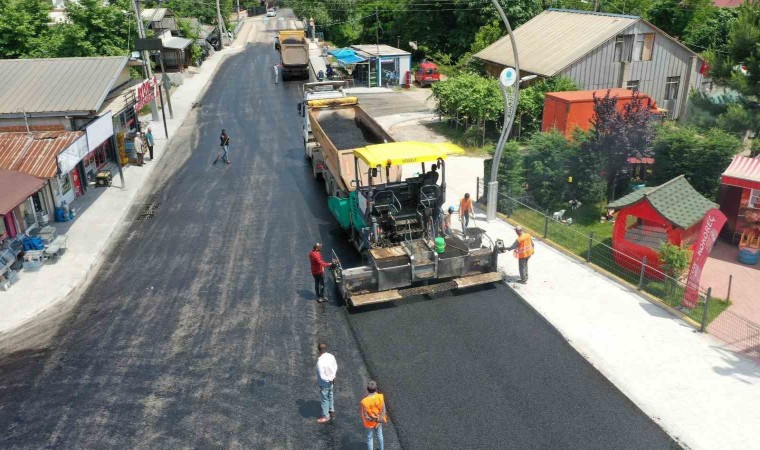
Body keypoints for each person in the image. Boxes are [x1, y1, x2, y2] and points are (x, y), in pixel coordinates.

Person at [361, 380, 387, 450]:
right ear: (376, 389)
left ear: (367, 389)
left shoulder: (365, 401)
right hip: (379, 420)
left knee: (369, 438)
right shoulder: (380, 397)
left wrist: (374, 420)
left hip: (369, 423)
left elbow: (366, 416)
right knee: (379, 434)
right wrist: (378, 421)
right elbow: (383, 410)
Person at [316, 342, 337, 424]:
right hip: (332, 380)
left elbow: (322, 376)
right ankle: (331, 409)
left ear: (319, 351)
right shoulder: (331, 356)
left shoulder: (320, 362)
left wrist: (329, 379)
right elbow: (335, 367)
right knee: (330, 394)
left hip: (324, 383)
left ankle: (326, 416)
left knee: (324, 399)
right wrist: (333, 377)